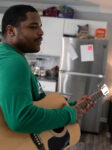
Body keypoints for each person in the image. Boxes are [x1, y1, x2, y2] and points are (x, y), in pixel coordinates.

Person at [0, 5, 95, 134]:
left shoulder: (10, 57)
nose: (41, 32)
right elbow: (21, 119)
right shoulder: (14, 61)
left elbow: (40, 104)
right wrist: (69, 115)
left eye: (40, 26)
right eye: (33, 27)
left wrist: (72, 106)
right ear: (11, 31)